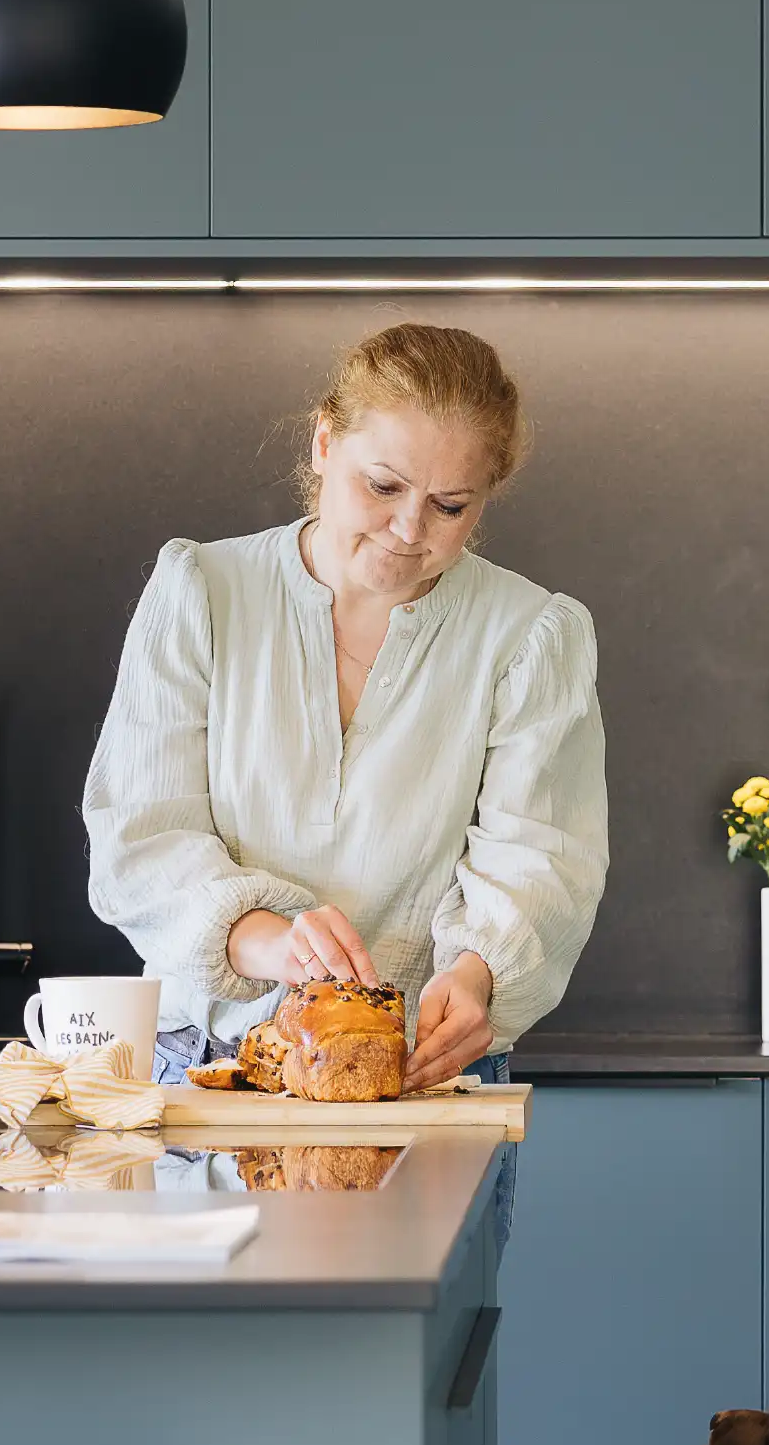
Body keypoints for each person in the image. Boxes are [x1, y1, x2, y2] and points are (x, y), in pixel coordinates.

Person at [82, 323, 609, 1103]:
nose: (408, 530)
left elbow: (540, 860)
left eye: (449, 505)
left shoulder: (529, 636)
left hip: (415, 1070)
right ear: (325, 441)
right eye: (383, 486)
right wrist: (270, 940)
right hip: (207, 1062)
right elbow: (139, 838)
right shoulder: (203, 592)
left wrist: (476, 976)